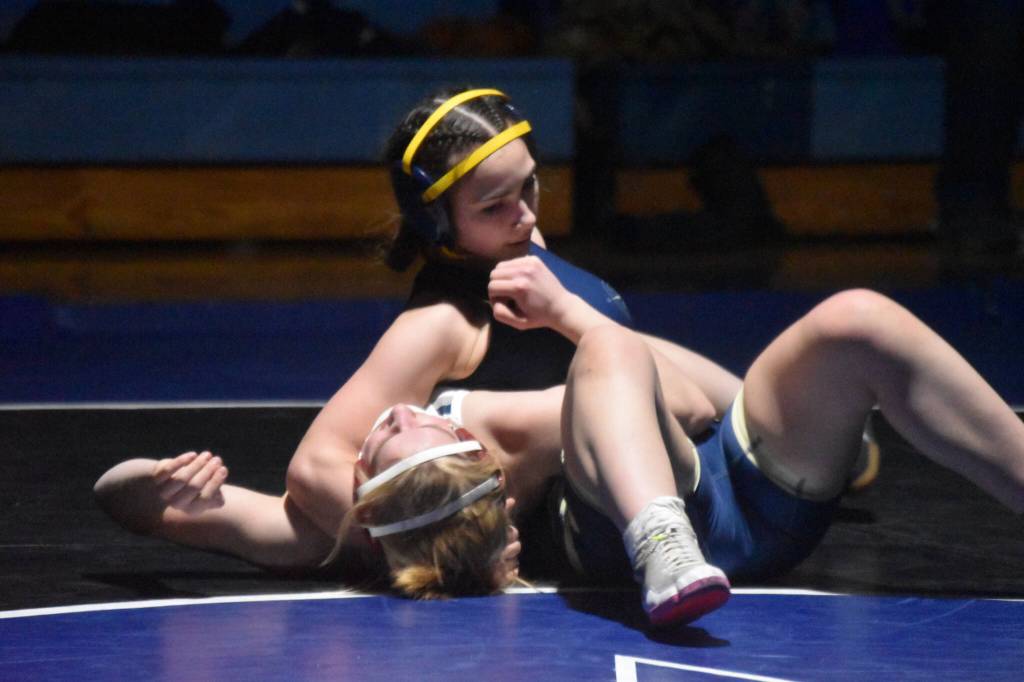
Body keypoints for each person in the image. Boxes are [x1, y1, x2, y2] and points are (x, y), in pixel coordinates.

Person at [96, 285, 1024, 627]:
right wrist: (573, 317)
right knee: (604, 351)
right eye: (394, 429)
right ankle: (658, 532)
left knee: (858, 321)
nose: (391, 414)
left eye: (384, 425)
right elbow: (693, 399)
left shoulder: (357, 526)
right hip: (676, 520)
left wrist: (156, 480)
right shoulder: (497, 434)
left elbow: (136, 507)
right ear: (474, 457)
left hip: (745, 486)